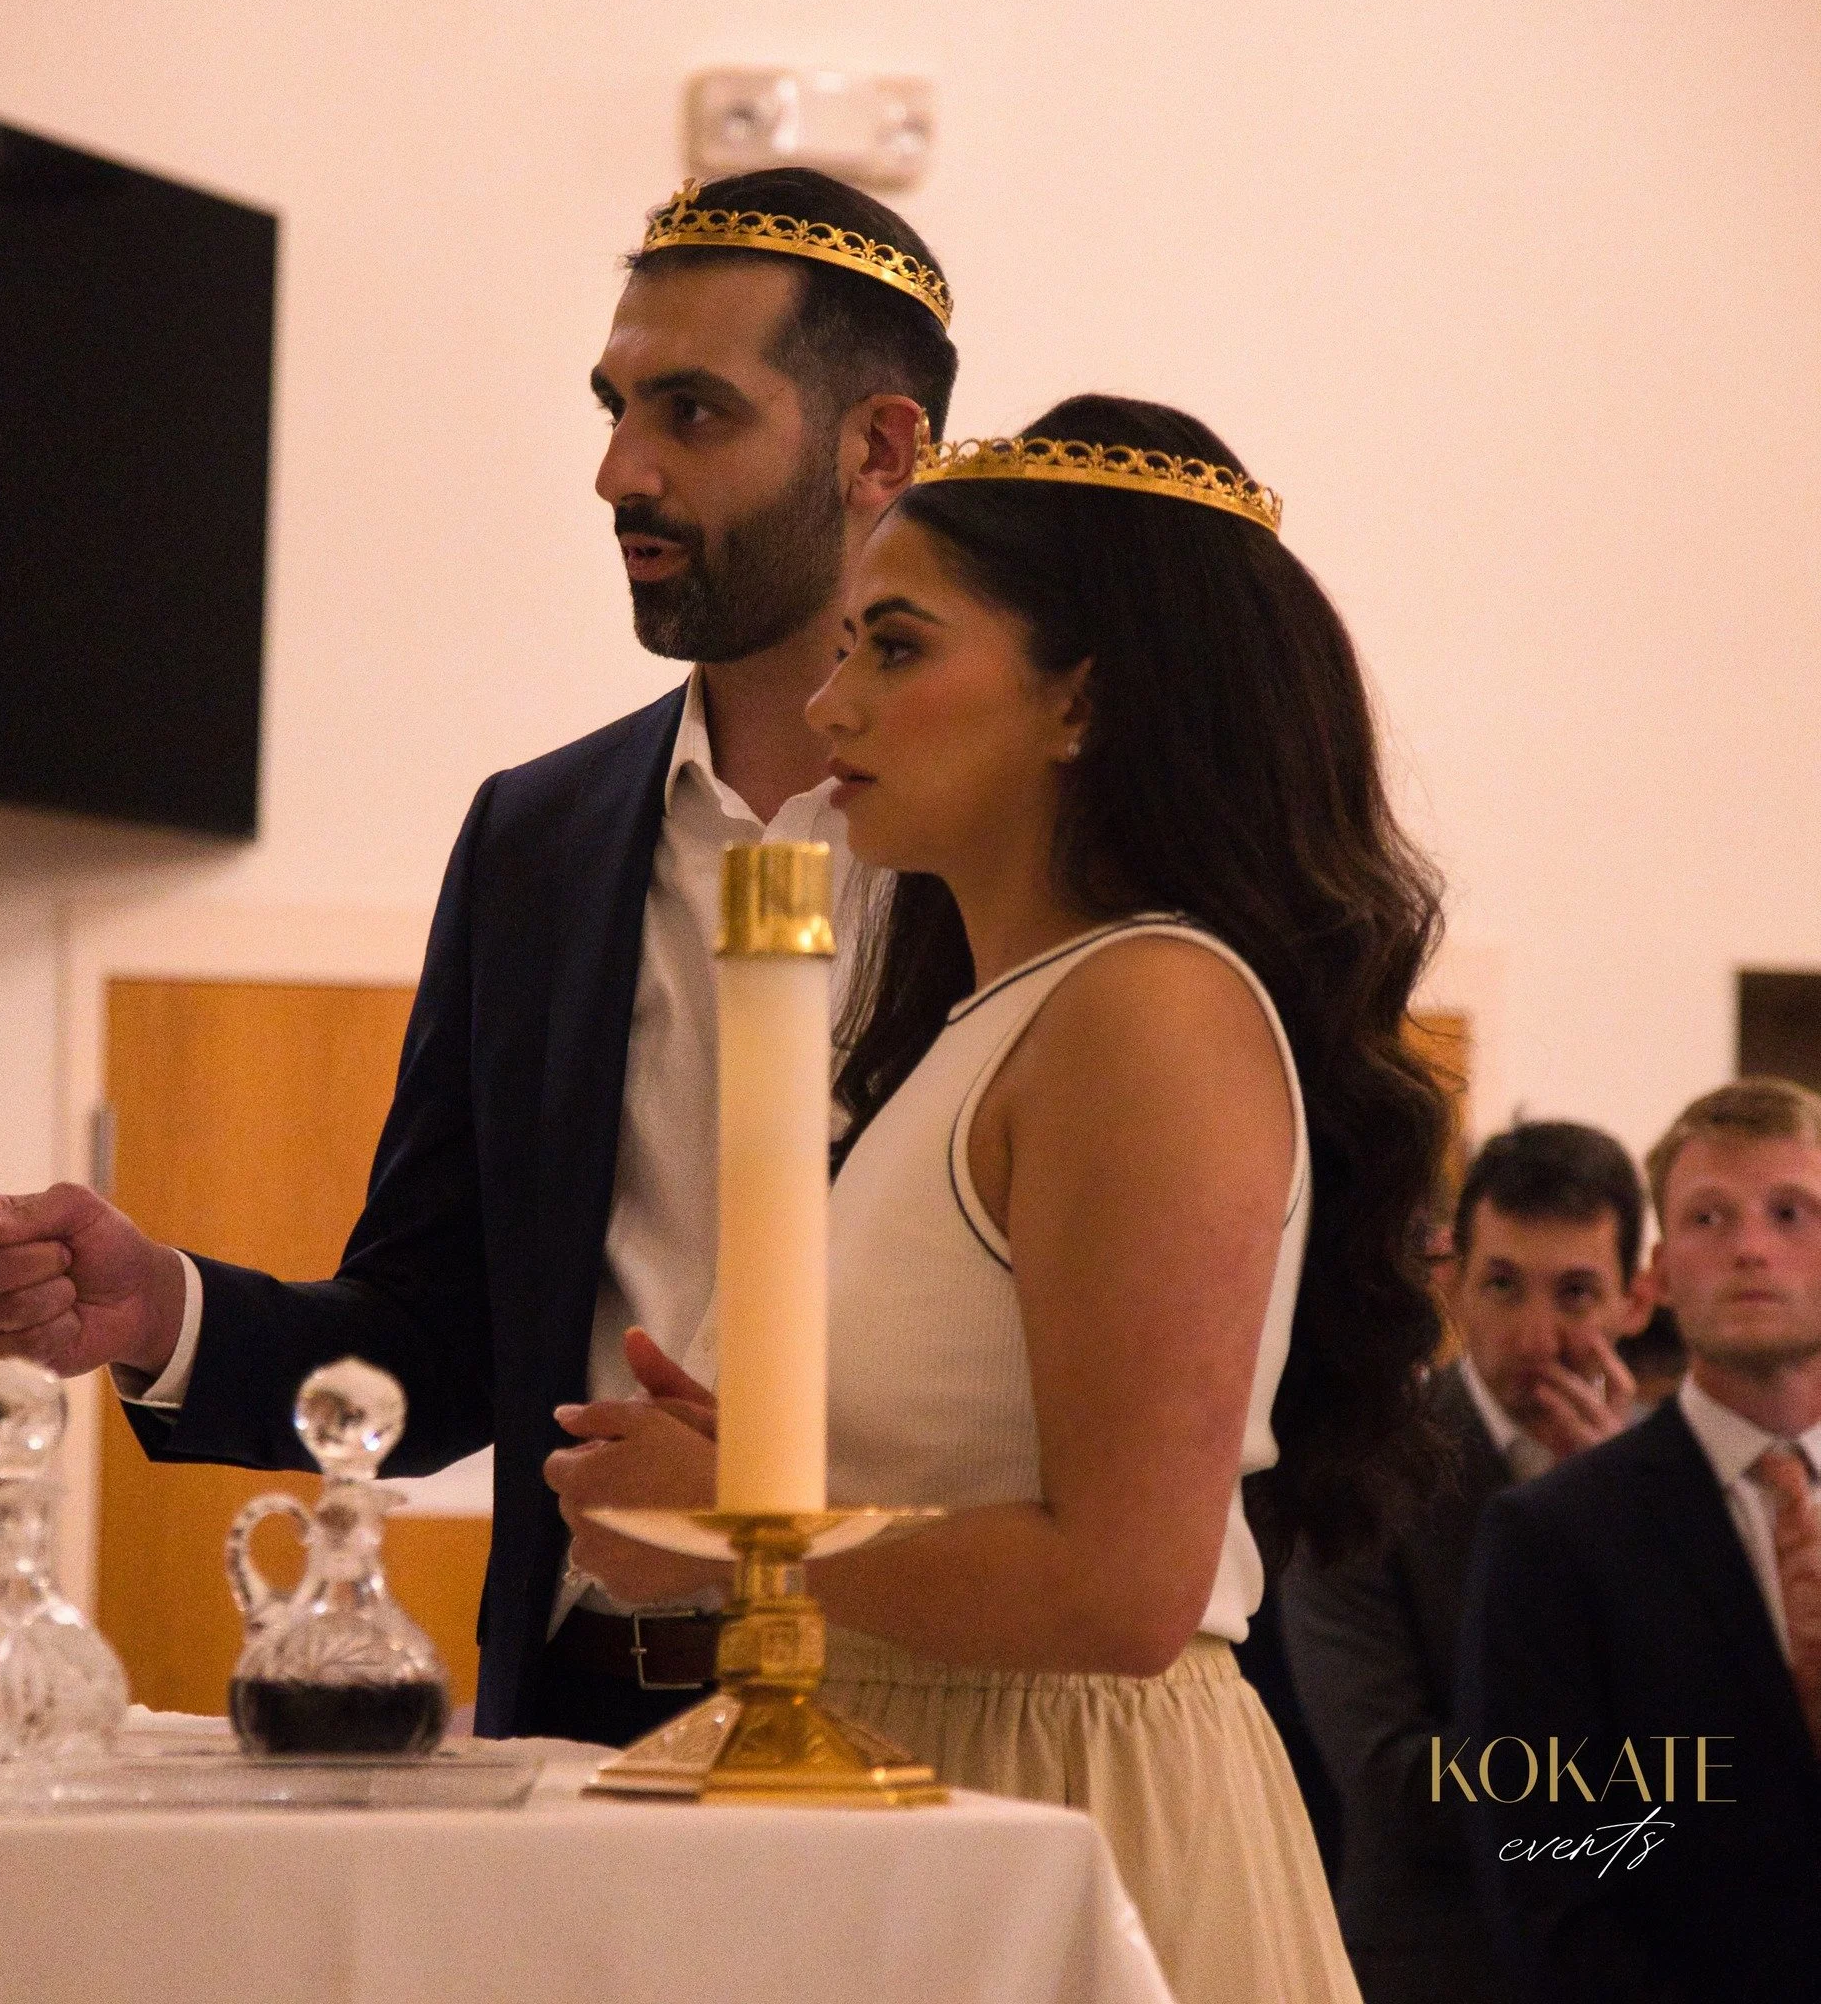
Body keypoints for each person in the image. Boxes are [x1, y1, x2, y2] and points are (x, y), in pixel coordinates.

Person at [0, 168, 958, 1745]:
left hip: (923, 1709)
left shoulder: (1017, 840)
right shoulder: (540, 838)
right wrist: (163, 1312)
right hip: (580, 1717)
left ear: (877, 449)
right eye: (613, 407)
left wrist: (774, 1495)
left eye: (694, 413)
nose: (622, 470)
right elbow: (439, 1341)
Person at [548, 397, 1449, 2004]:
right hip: (917, 1779)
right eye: (841, 651)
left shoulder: (1148, 1008)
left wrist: (739, 1530)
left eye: (893, 648)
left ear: (1083, 702)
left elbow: (1122, 1588)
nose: (830, 706)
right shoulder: (993, 1021)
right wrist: (750, 1460)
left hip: (1057, 1806)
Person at [1457, 1078, 1821, 1999]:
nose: (1749, 1247)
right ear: (1657, 1277)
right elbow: (1542, 1869)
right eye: (1708, 1218)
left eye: (1791, 1212)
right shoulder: (1555, 1534)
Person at [1281, 1120, 1651, 2004]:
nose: (1533, 1336)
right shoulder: (1362, 1477)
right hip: (1441, 1968)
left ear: (1635, 1300)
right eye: (1502, 1285)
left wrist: (1616, 1527)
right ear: (1450, 1282)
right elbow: (1396, 1779)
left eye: (1574, 1293)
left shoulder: (1668, 1489)